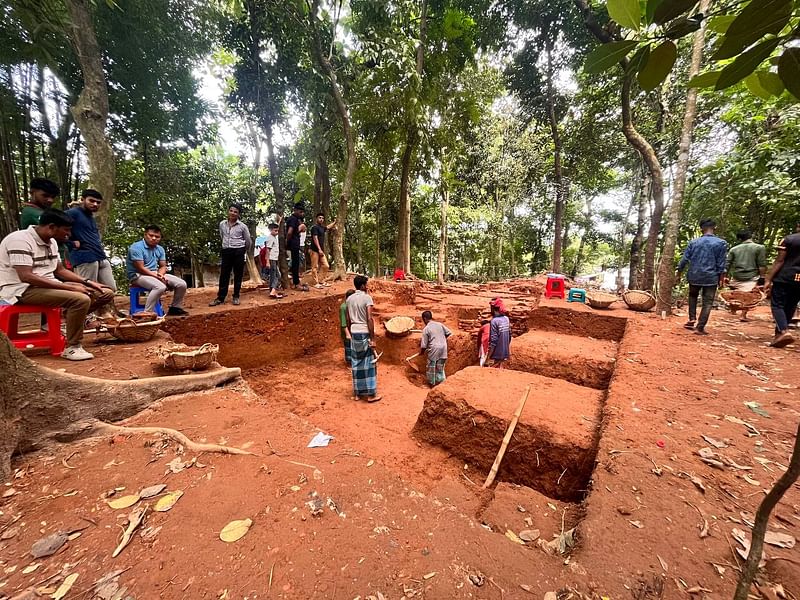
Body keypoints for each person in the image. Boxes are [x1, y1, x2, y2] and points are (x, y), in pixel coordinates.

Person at [0, 209, 114, 360]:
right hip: (21, 289)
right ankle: (72, 347)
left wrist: (88, 282)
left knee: (106, 293)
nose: (69, 234)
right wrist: (70, 287)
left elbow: (59, 270)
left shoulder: (52, 241)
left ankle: (71, 317)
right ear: (52, 227)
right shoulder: (19, 240)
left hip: (48, 286)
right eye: (66, 230)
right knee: (81, 299)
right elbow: (26, 276)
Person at [676, 218, 728, 335]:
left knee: (692, 296)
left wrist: (678, 273)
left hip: (694, 275)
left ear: (701, 229)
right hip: (711, 277)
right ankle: (700, 327)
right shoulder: (721, 243)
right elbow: (721, 263)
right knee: (708, 302)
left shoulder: (694, 243)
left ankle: (692, 318)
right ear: (714, 227)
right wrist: (721, 278)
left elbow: (684, 260)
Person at [126, 225, 188, 316]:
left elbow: (163, 266)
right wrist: (158, 277)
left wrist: (161, 275)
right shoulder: (136, 248)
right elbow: (141, 268)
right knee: (160, 287)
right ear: (145, 235)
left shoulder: (160, 249)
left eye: (157, 236)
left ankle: (175, 308)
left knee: (181, 284)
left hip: (154, 273)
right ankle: (147, 313)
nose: (154, 238)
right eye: (151, 235)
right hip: (138, 275)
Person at [65, 189, 117, 299]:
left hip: (100, 257)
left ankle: (97, 313)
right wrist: (70, 243)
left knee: (110, 288)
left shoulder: (90, 217)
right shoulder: (73, 213)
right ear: (82, 199)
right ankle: (82, 315)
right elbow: (54, 230)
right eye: (91, 201)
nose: (95, 204)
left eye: (98, 202)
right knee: (86, 290)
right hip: (85, 257)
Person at [764, 222, 800, 348]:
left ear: (798, 226)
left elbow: (780, 260)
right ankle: (778, 336)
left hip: (785, 276)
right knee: (791, 304)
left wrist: (768, 279)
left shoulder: (788, 239)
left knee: (777, 305)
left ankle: (784, 331)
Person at [346, 274, 381, 402]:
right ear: (362, 285)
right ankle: (371, 394)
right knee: (369, 363)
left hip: (354, 332)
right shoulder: (367, 298)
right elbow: (369, 319)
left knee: (356, 362)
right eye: (366, 284)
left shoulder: (349, 299)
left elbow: (349, 319)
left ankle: (357, 393)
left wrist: (351, 331)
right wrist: (373, 339)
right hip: (364, 332)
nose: (367, 287)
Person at [210, 204, 251, 306]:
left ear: (238, 215)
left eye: (235, 212)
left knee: (238, 274)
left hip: (238, 251)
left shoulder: (242, 226)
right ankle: (220, 298)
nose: (233, 213)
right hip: (226, 251)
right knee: (224, 274)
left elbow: (248, 241)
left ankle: (236, 296)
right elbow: (222, 236)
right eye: (231, 211)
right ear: (228, 211)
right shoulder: (222, 224)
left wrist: (242, 250)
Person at [725, 229, 767, 321]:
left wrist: (724, 276)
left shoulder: (734, 249)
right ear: (750, 236)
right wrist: (762, 277)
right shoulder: (759, 248)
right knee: (748, 296)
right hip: (751, 276)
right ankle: (743, 315)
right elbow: (761, 264)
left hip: (736, 275)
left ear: (739, 239)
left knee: (736, 293)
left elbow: (727, 264)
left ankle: (733, 310)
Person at [420, 310, 452, 386]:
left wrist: (421, 352)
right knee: (440, 366)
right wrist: (442, 339)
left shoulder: (426, 329)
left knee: (431, 366)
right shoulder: (439, 324)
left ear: (424, 318)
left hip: (434, 349)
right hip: (444, 347)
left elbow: (424, 345)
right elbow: (449, 333)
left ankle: (432, 384)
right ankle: (442, 383)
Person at [310, 213, 336, 288]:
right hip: (315, 250)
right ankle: (315, 283)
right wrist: (319, 249)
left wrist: (334, 222)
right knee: (314, 267)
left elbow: (328, 227)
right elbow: (315, 238)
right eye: (319, 218)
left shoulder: (322, 228)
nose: (321, 219)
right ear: (316, 219)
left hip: (320, 250)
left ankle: (321, 280)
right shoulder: (314, 228)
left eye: (322, 218)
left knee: (326, 265)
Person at [285, 203, 307, 291]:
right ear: (295, 210)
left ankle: (295, 282)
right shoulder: (293, 219)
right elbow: (290, 232)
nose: (302, 214)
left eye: (302, 212)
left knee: (295, 263)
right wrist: (287, 242)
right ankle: (296, 283)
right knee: (295, 263)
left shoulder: (296, 219)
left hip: (295, 243)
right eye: (300, 212)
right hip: (293, 243)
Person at [487, 297, 511, 368]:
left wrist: (488, 357)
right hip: (505, 353)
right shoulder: (506, 319)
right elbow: (509, 336)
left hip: (496, 354)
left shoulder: (494, 321)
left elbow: (493, 341)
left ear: (493, 309)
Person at [265, 223, 283, 299]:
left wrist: (279, 221)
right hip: (272, 259)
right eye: (275, 231)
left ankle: (272, 291)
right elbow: (267, 250)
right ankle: (273, 290)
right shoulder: (270, 238)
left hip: (274, 259)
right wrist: (267, 261)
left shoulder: (274, 237)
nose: (277, 232)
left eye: (277, 231)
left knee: (273, 276)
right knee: (277, 276)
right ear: (270, 230)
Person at [340, 289, 355, 366]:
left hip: (352, 329)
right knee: (348, 346)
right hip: (347, 331)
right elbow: (343, 322)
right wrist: (347, 333)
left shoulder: (351, 305)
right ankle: (349, 362)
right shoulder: (343, 307)